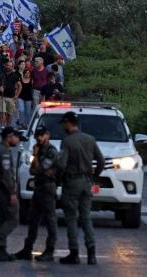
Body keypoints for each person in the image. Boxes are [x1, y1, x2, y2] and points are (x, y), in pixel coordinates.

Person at [57, 111, 105, 265]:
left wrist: (58, 180)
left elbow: (62, 164)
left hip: (72, 182)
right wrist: (94, 176)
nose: (63, 126)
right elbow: (101, 160)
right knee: (86, 217)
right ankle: (92, 254)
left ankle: (74, 252)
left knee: (71, 218)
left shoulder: (67, 141)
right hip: (87, 182)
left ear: (69, 123)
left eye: (64, 123)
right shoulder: (90, 139)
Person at [15, 125, 59, 262]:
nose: (39, 138)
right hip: (38, 188)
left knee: (51, 221)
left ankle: (50, 250)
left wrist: (35, 158)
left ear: (47, 135)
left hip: (47, 188)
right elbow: (32, 171)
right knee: (33, 220)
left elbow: (41, 168)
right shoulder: (39, 150)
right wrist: (36, 161)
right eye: (37, 136)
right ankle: (27, 249)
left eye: (41, 135)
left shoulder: (51, 151)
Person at [0, 126, 21, 262]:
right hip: (4, 190)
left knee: (3, 219)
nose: (17, 140)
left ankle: (2, 250)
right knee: (13, 219)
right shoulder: (4, 153)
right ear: (9, 137)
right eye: (16, 137)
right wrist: (12, 193)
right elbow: (7, 175)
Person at [0, 59, 21, 128]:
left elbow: (20, 86)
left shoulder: (15, 75)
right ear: (5, 65)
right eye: (7, 65)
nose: (8, 67)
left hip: (11, 97)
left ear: (12, 67)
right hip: (2, 96)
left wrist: (17, 95)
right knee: (2, 112)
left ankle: (8, 126)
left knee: (10, 114)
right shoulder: (1, 74)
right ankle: (3, 126)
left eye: (10, 66)